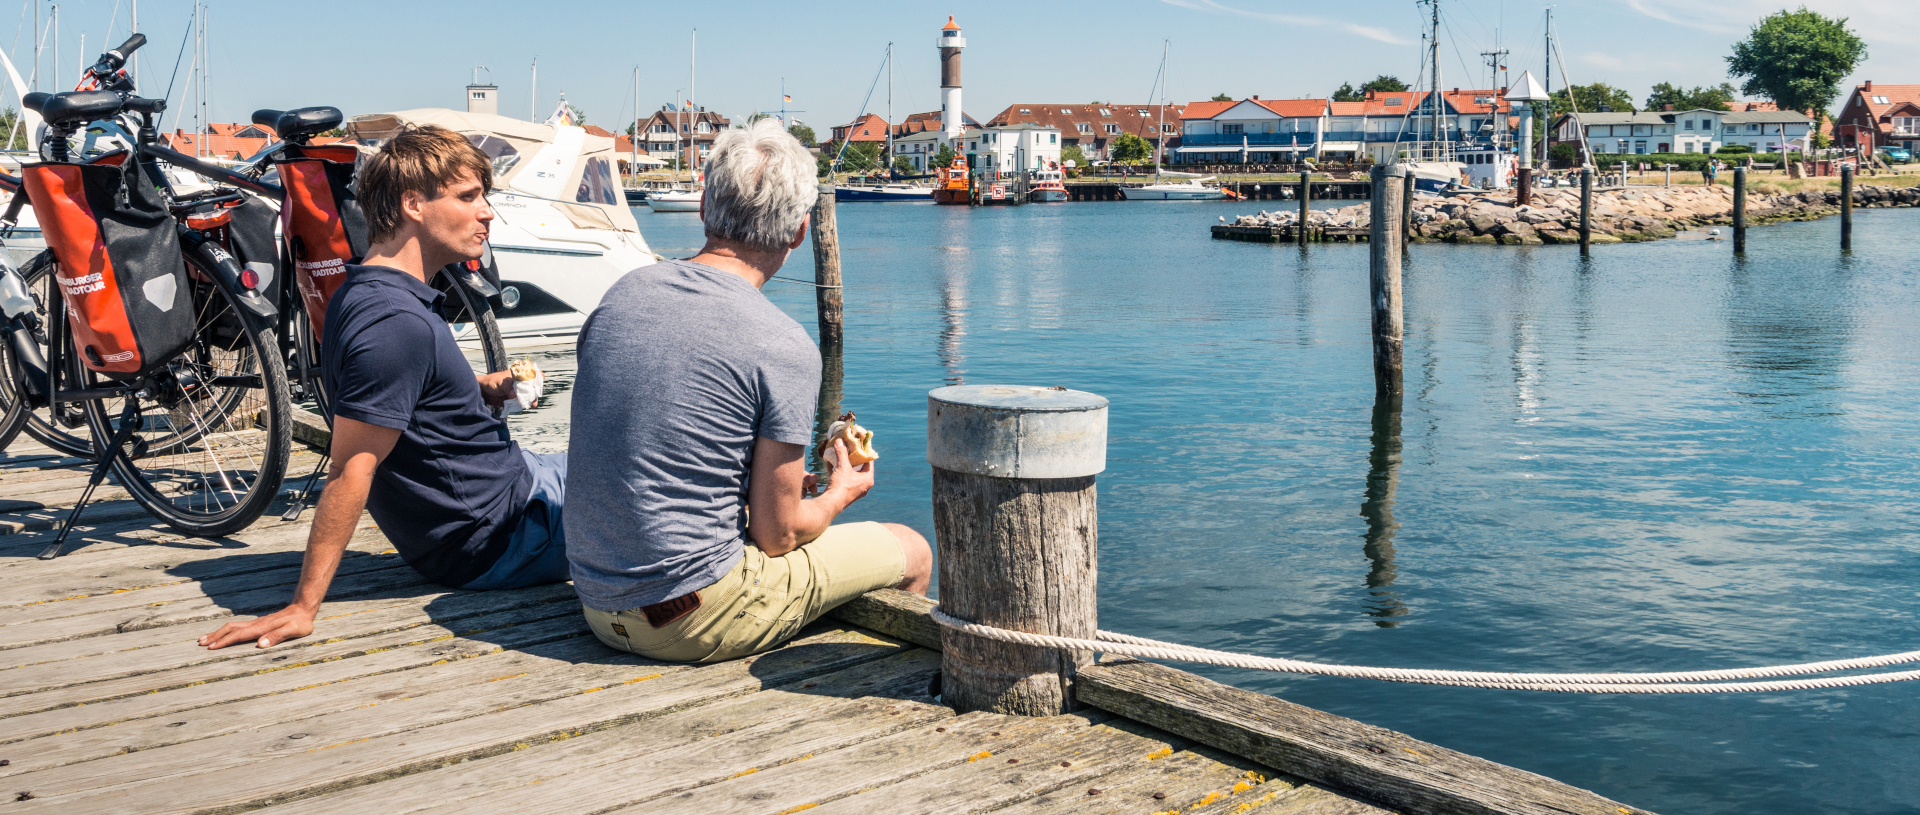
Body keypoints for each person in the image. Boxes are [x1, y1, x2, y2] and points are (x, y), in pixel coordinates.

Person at [565, 119, 931, 664]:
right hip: (691, 617)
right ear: (801, 232)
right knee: (911, 548)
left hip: (597, 604)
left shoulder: (624, 293)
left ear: (706, 209)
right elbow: (779, 534)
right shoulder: (781, 344)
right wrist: (840, 494)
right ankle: (870, 697)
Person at [199, 126, 569, 650]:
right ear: (413, 203)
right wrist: (303, 607)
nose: (488, 212)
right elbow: (352, 468)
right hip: (501, 538)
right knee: (684, 487)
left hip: (510, 489)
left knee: (630, 460)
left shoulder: (367, 291)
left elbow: (415, 402)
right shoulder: (393, 323)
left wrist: (484, 387)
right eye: (468, 197)